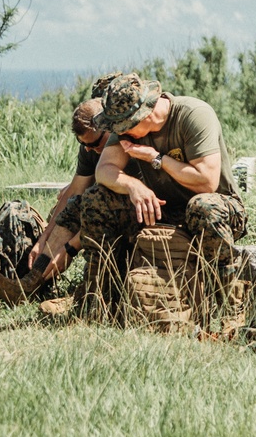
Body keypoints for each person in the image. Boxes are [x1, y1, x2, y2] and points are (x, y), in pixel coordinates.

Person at [77, 72, 247, 312]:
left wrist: (156, 159)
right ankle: (99, 301)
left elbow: (207, 181)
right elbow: (103, 171)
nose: (119, 132)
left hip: (217, 209)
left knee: (203, 206)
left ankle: (229, 308)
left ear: (141, 115)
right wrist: (133, 186)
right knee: (96, 199)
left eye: (123, 127)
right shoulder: (125, 126)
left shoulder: (194, 115)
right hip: (162, 209)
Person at [0, 95, 109, 303]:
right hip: (99, 206)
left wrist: (71, 247)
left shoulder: (124, 141)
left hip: (127, 211)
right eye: (82, 143)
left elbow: (107, 205)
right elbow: (74, 191)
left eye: (94, 143)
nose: (88, 149)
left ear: (108, 126)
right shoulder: (90, 146)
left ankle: (85, 294)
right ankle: (29, 285)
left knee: (92, 206)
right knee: (73, 207)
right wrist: (44, 237)